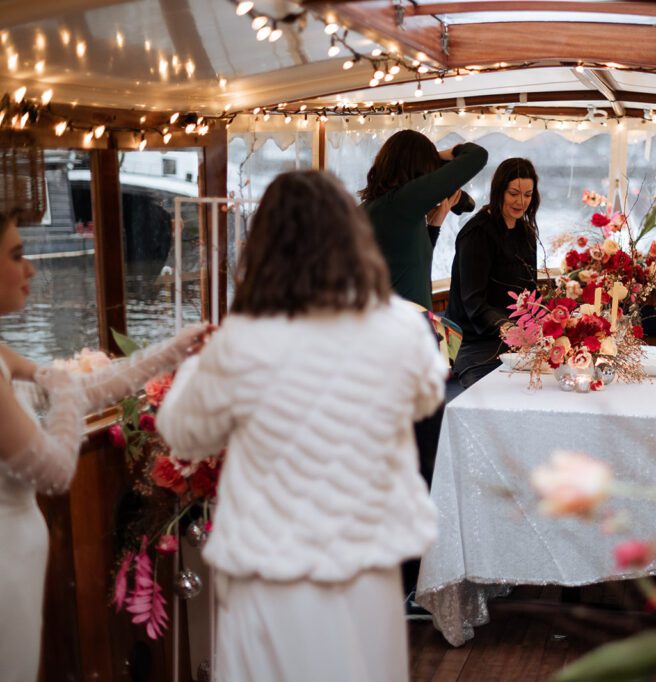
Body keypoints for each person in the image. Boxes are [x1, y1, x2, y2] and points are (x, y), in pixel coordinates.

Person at [157, 171, 446, 682]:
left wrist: (202, 357)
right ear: (353, 239)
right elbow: (426, 395)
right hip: (366, 565)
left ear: (264, 248)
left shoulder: (244, 340)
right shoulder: (402, 327)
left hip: (270, 573)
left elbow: (182, 433)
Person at [0, 208, 205, 682]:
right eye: (16, 256)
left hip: (20, 554)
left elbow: (80, 389)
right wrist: (69, 391)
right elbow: (53, 469)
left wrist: (175, 348)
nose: (30, 268)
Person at [360, 129, 488, 310]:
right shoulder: (402, 201)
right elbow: (477, 155)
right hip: (401, 328)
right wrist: (441, 155)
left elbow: (412, 265)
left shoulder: (379, 208)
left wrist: (433, 228)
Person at [447, 158, 540, 387]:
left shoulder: (525, 233)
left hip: (516, 339)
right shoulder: (477, 234)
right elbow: (473, 302)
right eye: (514, 193)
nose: (521, 202)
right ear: (499, 191)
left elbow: (530, 293)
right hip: (473, 341)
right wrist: (507, 327)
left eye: (527, 194)